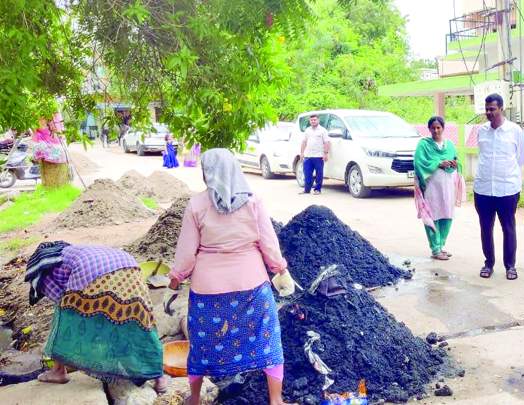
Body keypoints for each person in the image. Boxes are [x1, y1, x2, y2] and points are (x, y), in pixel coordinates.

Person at [169, 149, 295, 404]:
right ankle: (276, 400)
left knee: (202, 345)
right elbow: (268, 245)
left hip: (208, 290)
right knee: (268, 339)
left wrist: (175, 277)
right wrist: (279, 267)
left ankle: (194, 399)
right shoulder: (253, 201)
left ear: (208, 173)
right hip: (252, 287)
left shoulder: (196, 205)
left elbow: (186, 254)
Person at [25, 242, 167, 392]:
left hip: (92, 269)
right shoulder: (71, 251)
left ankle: (58, 371)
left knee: (65, 318)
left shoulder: (43, 271)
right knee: (139, 321)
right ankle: (159, 378)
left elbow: (62, 302)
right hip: (131, 266)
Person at [474, 93, 524, 281]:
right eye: (486, 109)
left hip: (507, 189)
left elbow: (520, 158)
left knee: (508, 227)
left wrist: (508, 176)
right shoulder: (481, 130)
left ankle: (510, 266)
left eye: (492, 109)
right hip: (484, 188)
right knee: (485, 228)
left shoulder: (515, 131)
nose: (488, 112)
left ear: (501, 108)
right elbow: (482, 155)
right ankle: (488, 263)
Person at [413, 116, 465, 260]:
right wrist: (438, 163)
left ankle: (441, 245)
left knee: (447, 214)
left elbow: (457, 161)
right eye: (433, 128)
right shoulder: (423, 145)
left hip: (448, 186)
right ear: (429, 129)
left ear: (443, 128)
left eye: (438, 127)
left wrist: (454, 164)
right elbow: (419, 162)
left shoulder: (450, 145)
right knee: (433, 215)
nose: (436, 130)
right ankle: (435, 249)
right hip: (431, 187)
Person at [299, 114, 330, 195]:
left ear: (318, 120)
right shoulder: (307, 130)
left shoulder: (323, 130)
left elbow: (326, 142)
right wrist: (302, 153)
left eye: (315, 120)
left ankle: (317, 189)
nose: (313, 121)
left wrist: (325, 153)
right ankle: (306, 190)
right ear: (310, 121)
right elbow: (304, 142)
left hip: (319, 156)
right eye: (311, 120)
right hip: (308, 156)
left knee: (319, 174)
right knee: (307, 174)